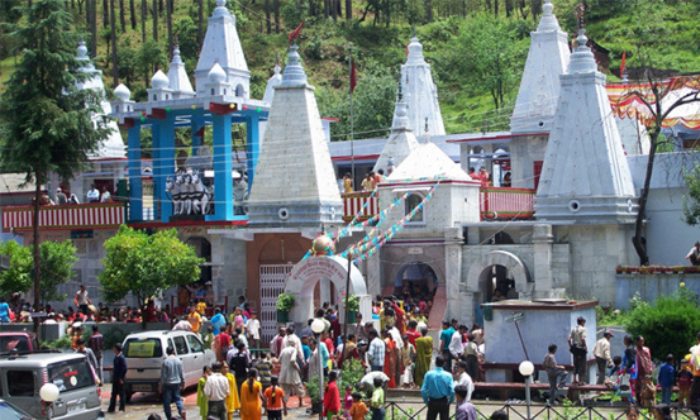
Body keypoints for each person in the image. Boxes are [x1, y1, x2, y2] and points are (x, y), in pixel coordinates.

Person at [159, 347, 186, 420]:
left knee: (167, 402)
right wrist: (183, 383)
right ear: (173, 351)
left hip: (167, 383)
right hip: (177, 382)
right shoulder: (178, 361)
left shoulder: (165, 362)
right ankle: (182, 410)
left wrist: (160, 385)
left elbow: (163, 376)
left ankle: (169, 417)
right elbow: (182, 373)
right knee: (178, 399)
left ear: (167, 352)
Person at [279, 341, 305, 408]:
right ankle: (300, 403)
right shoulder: (293, 349)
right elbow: (293, 360)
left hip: (283, 372)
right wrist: (297, 367)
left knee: (285, 389)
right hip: (292, 372)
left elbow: (279, 360)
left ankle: (285, 405)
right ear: (293, 344)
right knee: (298, 386)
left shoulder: (283, 350)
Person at [108, 343, 127, 413]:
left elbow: (124, 368)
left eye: (114, 348)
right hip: (115, 378)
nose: (113, 349)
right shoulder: (116, 357)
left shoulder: (121, 358)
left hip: (120, 379)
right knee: (113, 394)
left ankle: (122, 408)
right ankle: (111, 408)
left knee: (122, 394)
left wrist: (121, 377)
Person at [568, 316, 587, 385]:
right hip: (580, 348)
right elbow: (583, 339)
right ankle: (579, 381)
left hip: (574, 348)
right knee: (581, 364)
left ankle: (574, 379)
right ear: (582, 322)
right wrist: (585, 347)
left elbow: (569, 339)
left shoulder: (573, 329)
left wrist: (571, 347)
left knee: (575, 363)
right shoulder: (583, 329)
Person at [635, 336, 653, 400]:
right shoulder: (635, 350)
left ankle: (645, 402)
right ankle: (638, 402)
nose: (642, 343)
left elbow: (649, 359)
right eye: (640, 341)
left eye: (643, 341)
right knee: (637, 388)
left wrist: (650, 368)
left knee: (646, 386)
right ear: (637, 342)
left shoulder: (646, 349)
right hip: (638, 372)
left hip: (646, 371)